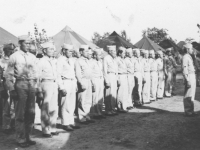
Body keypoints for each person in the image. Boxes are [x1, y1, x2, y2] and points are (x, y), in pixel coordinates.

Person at [5, 35, 38, 148]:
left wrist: (36, 87)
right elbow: (8, 75)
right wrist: (12, 89)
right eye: (26, 43)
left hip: (31, 84)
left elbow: (36, 72)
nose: (28, 45)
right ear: (20, 43)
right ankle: (21, 138)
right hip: (20, 84)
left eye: (30, 43)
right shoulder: (14, 56)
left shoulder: (32, 57)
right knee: (20, 113)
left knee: (31, 112)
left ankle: (28, 136)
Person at [37, 42, 65, 137]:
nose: (53, 51)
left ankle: (52, 127)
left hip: (54, 84)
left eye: (53, 49)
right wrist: (39, 90)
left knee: (54, 107)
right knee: (45, 107)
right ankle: (45, 129)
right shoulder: (41, 62)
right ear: (44, 51)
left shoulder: (54, 61)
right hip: (45, 83)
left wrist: (60, 86)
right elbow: (37, 77)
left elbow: (57, 75)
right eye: (50, 49)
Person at [75, 45, 95, 124]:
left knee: (88, 100)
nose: (87, 53)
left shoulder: (88, 61)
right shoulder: (78, 61)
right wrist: (81, 83)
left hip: (89, 81)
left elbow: (91, 72)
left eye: (88, 51)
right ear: (81, 52)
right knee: (82, 100)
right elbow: (78, 74)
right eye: (86, 51)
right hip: (83, 81)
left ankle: (87, 116)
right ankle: (82, 118)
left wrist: (92, 82)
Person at [0, 43, 15, 133]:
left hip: (15, 85)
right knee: (7, 106)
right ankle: (6, 126)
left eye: (13, 49)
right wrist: (2, 89)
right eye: (9, 49)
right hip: (6, 86)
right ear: (5, 50)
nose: (12, 51)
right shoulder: (1, 61)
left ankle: (13, 124)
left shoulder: (14, 60)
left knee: (14, 107)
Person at [182, 43, 197, 117]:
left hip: (192, 75)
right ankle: (188, 111)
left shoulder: (189, 56)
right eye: (191, 48)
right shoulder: (185, 57)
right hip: (189, 76)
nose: (192, 50)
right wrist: (187, 80)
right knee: (188, 94)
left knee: (192, 94)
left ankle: (191, 110)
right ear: (187, 49)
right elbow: (185, 69)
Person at [90, 48, 105, 119]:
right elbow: (91, 74)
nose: (100, 56)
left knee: (100, 97)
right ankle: (94, 113)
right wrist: (93, 83)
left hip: (100, 79)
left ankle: (99, 112)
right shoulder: (91, 62)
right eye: (99, 55)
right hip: (95, 80)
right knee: (95, 98)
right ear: (95, 55)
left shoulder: (100, 62)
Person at [103, 45, 118, 116]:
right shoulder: (106, 58)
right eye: (114, 51)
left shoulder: (114, 59)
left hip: (114, 76)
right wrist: (107, 81)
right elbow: (104, 71)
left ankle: (112, 108)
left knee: (113, 94)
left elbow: (116, 70)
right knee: (108, 94)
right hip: (109, 76)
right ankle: (108, 109)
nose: (115, 52)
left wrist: (117, 79)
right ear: (110, 51)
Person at [116, 47, 128, 112]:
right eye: (123, 53)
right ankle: (119, 107)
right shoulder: (117, 60)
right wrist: (118, 79)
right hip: (120, 76)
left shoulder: (123, 59)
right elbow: (116, 70)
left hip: (124, 76)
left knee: (125, 92)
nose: (125, 54)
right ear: (120, 53)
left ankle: (124, 106)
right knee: (120, 93)